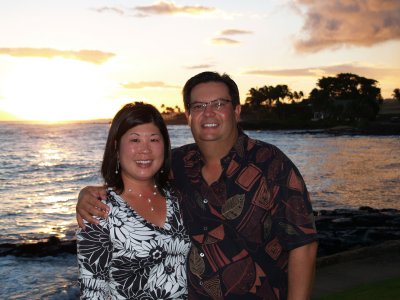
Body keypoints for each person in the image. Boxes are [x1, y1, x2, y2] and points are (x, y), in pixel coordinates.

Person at [77, 72, 318, 299]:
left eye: (219, 104)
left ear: (236, 111)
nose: (209, 113)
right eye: (199, 106)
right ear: (188, 115)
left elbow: (303, 245)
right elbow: (139, 167)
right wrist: (88, 193)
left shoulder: (271, 164)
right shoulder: (179, 164)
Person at [76, 102, 191, 299]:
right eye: (135, 140)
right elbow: (93, 290)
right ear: (116, 148)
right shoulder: (100, 209)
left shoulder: (179, 196)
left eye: (154, 140)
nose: (145, 150)